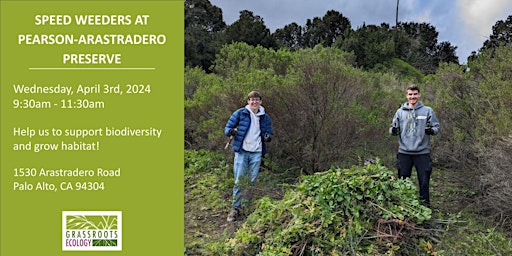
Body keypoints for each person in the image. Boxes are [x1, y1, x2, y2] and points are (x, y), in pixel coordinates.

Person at [224, 91, 273, 222]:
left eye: (257, 100)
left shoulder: (265, 117)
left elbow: (269, 132)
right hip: (242, 151)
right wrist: (232, 131)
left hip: (256, 151)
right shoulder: (240, 113)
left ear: (260, 102)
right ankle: (235, 208)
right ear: (248, 101)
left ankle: (245, 207)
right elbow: (227, 128)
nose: (254, 102)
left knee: (252, 180)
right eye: (252, 100)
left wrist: (268, 137)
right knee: (239, 180)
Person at [389, 85, 439, 207]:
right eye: (410, 94)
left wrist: (432, 130)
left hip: (422, 153)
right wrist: (394, 130)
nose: (413, 97)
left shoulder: (427, 111)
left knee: (424, 182)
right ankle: (404, 206)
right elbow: (391, 129)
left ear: (419, 95)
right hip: (404, 152)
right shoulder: (400, 112)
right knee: (402, 181)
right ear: (406, 96)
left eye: (415, 94)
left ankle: (424, 207)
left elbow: (436, 127)